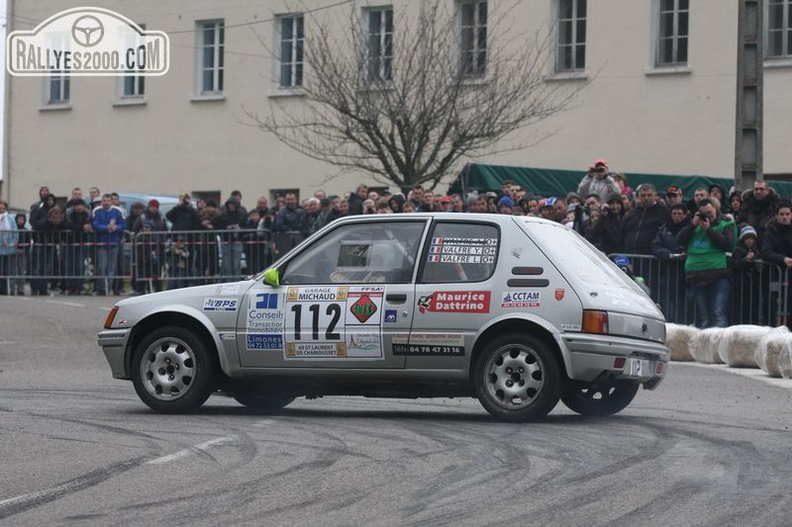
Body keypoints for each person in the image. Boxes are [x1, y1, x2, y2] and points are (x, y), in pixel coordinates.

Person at [677, 197, 736, 328]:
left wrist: (709, 230)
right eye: (704, 213)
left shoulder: (726, 224)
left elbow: (727, 244)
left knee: (718, 312)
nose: (707, 216)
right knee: (702, 316)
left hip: (719, 275)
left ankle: (718, 346)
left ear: (716, 209)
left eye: (710, 212)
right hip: (697, 276)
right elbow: (680, 240)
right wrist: (692, 225)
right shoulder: (694, 226)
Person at [651, 203, 690, 323]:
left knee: (684, 303)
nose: (676, 216)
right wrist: (668, 254)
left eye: (679, 213)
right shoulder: (664, 229)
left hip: (686, 271)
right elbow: (656, 246)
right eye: (674, 213)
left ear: (685, 215)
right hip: (668, 270)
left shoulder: (691, 228)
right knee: (668, 301)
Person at [760, 201, 792, 326]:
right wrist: (783, 259)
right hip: (775, 276)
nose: (785, 217)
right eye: (782, 214)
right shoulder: (770, 232)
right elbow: (765, 252)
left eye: (787, 214)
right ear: (777, 215)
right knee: (774, 308)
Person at [92, 194, 126, 295]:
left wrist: (116, 228)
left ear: (111, 202)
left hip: (114, 242)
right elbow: (95, 224)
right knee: (102, 266)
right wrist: (106, 228)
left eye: (108, 201)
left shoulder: (117, 211)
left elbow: (123, 225)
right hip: (102, 243)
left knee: (112, 267)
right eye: (104, 201)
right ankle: (102, 288)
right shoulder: (97, 211)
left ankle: (109, 287)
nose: (106, 203)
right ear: (102, 202)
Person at [732, 225, 763, 325]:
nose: (750, 241)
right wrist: (746, 259)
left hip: (754, 285)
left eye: (752, 238)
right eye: (747, 239)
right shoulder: (737, 250)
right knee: (740, 309)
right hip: (740, 284)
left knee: (753, 309)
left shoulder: (757, 251)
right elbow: (736, 264)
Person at [63, 199, 92, 295]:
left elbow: (89, 225)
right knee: (70, 265)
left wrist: (84, 228)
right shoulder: (68, 214)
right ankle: (69, 286)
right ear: (74, 206)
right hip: (69, 242)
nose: (79, 207)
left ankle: (79, 285)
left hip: (82, 242)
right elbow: (68, 225)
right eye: (77, 205)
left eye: (81, 205)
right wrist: (81, 227)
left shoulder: (87, 214)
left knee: (80, 265)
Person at [213, 198, 248, 279]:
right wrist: (226, 229)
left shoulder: (241, 215)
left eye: (232, 205)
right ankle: (228, 283)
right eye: (229, 205)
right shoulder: (223, 215)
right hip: (226, 242)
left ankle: (237, 282)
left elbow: (246, 226)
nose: (231, 207)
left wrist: (240, 229)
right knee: (227, 265)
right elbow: (217, 227)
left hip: (237, 241)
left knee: (236, 265)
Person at [0, 200, 19, 295]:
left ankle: (4, 289)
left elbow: (15, 232)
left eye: (3, 208)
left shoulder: (10, 219)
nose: (2, 210)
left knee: (6, 270)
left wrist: (12, 244)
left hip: (7, 249)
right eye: (0, 208)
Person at [13, 213, 30, 295]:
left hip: (23, 253)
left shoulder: (26, 230)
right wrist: (15, 249)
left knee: (22, 270)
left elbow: (28, 242)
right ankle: (13, 288)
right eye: (19, 219)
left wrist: (24, 250)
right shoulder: (13, 229)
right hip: (13, 252)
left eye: (22, 219)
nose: (21, 221)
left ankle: (21, 288)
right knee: (14, 270)